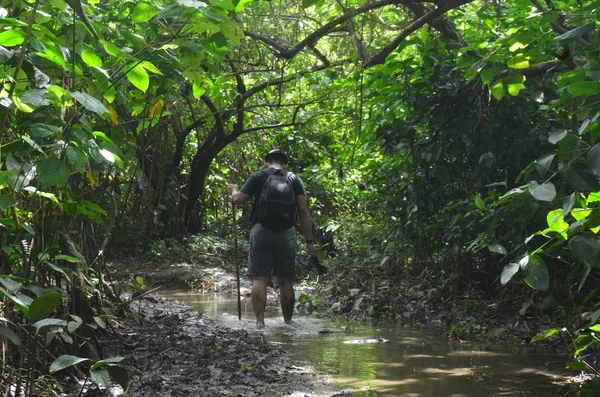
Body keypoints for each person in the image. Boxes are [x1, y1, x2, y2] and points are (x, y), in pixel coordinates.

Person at [228, 149, 318, 329]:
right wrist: (310, 242)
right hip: (287, 233)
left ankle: (260, 324)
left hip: (261, 230)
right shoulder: (294, 179)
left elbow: (238, 200)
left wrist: (234, 189)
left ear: (266, 163)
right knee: (285, 279)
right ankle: (288, 323)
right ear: (285, 165)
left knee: (259, 278)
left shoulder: (258, 176)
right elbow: (303, 211)